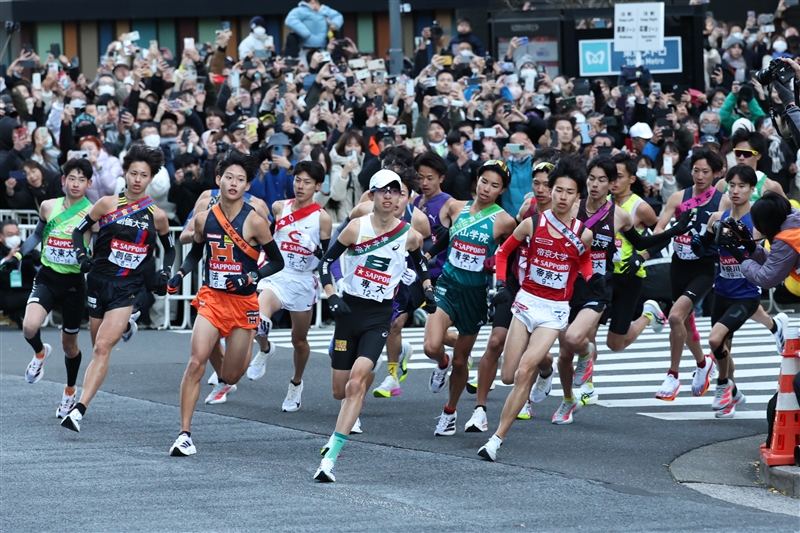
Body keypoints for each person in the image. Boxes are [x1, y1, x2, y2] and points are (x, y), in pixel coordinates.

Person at [314, 169, 434, 482]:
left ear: (400, 197)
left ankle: (331, 456)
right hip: (348, 312)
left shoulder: (409, 234)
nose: (389, 196)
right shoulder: (356, 228)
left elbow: (421, 265)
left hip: (379, 316)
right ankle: (352, 401)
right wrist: (331, 296)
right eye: (382, 190)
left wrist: (428, 293)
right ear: (372, 194)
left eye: (395, 191)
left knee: (355, 383)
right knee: (340, 389)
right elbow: (326, 263)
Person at [555, 157, 690, 423]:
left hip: (603, 284)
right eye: (591, 178)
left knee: (596, 341)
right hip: (571, 285)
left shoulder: (621, 215)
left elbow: (643, 239)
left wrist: (674, 232)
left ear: (611, 184)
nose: (595, 184)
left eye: (602, 180)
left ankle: (647, 316)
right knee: (565, 349)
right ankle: (570, 398)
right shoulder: (572, 207)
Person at [167, 150, 285, 456]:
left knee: (230, 375)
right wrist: (180, 274)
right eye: (228, 177)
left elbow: (276, 261)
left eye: (240, 179)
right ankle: (184, 434)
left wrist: (251, 277)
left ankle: (231, 361)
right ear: (218, 180)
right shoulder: (205, 218)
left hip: (243, 303)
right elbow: (195, 252)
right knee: (195, 362)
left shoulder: (256, 221)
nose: (233, 183)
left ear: (247, 186)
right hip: (211, 297)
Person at [476, 155, 593, 461]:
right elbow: (502, 254)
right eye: (558, 190)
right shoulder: (532, 223)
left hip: (554, 311)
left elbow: (585, 264)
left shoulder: (584, 234)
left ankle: (496, 439)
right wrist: (501, 285)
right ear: (550, 192)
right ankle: (546, 367)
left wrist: (594, 281)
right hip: (526, 302)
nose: (562, 197)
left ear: (578, 197)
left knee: (524, 369)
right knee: (509, 375)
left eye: (569, 192)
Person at [60, 145, 175, 433]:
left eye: (144, 175)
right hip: (98, 282)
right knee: (97, 343)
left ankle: (79, 410)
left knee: (102, 347)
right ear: (125, 173)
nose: (137, 179)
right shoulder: (106, 204)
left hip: (128, 287)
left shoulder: (157, 215)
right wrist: (82, 256)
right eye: (133, 173)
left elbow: (169, 249)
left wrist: (166, 271)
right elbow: (78, 231)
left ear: (151, 179)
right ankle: (125, 328)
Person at [422, 160, 516, 436]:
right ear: (476, 180)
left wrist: (498, 274)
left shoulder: (504, 220)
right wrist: (427, 257)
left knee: (462, 360)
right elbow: (447, 237)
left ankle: (449, 412)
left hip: (475, 295)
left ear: (502, 190)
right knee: (430, 345)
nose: (487, 189)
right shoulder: (455, 207)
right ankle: (442, 362)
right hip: (448, 286)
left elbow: (510, 255)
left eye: (495, 185)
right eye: (484, 181)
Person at [466, 160, 555, 432]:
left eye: (547, 185)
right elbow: (511, 243)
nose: (541, 190)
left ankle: (543, 372)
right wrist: (500, 271)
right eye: (536, 183)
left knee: (529, 352)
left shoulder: (566, 215)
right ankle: (479, 411)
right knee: (495, 341)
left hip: (545, 293)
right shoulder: (527, 207)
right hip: (517, 285)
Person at [246, 160, 332, 413]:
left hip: (303, 280)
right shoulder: (279, 207)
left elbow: (327, 257)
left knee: (299, 341)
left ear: (317, 186)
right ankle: (265, 349)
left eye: (307, 182)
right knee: (259, 317)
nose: (300, 186)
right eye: (297, 180)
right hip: (277, 273)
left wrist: (313, 246)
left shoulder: (322, 218)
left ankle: (296, 383)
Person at [17, 159, 93, 418]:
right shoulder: (49, 206)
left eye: (81, 180)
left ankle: (70, 391)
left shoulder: (92, 212)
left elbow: (100, 245)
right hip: (48, 277)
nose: (76, 184)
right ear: (63, 180)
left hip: (73, 284)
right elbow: (37, 235)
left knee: (69, 345)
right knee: (29, 326)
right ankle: (39, 353)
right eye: (72, 178)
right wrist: (18, 255)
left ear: (89, 184)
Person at [653, 148, 730, 402]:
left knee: (675, 315)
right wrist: (676, 228)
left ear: (716, 173)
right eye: (696, 170)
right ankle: (702, 363)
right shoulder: (678, 198)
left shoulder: (722, 201)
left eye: (705, 172)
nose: (699, 176)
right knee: (685, 323)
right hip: (679, 265)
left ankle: (673, 374)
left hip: (704, 268)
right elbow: (659, 229)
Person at [691, 165, 759, 418]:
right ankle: (734, 392)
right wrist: (697, 240)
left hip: (747, 295)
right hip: (722, 292)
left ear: (752, 189)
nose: (736, 190)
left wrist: (741, 247)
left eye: (742, 186)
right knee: (724, 347)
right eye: (732, 185)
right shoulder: (718, 218)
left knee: (714, 339)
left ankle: (722, 386)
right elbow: (702, 251)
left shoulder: (758, 221)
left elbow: (767, 259)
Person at [0, 219, 39, 328]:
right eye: (10, 235)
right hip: (3, 291)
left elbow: (38, 272)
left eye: (17, 234)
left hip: (23, 291)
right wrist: (8, 259)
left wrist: (37, 262)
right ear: (1, 237)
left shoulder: (26, 248)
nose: (15, 238)